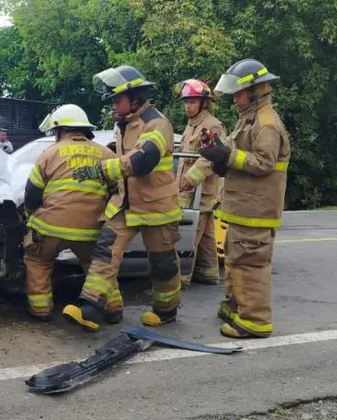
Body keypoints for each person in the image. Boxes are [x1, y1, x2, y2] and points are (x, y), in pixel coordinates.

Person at [63, 65, 182, 331]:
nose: (113, 106)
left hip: (156, 207)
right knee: (105, 252)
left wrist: (101, 169)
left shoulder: (157, 123)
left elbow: (143, 160)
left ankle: (166, 311)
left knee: (162, 263)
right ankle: (90, 308)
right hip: (126, 204)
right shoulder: (124, 125)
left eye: (117, 100)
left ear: (135, 98)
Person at [198, 58, 290, 339]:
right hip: (242, 208)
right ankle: (235, 306)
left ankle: (255, 320)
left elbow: (263, 162)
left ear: (255, 90)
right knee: (237, 262)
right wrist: (217, 152)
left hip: (256, 210)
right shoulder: (248, 118)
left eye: (238, 93)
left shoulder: (266, 123)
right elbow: (236, 157)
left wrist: (228, 156)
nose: (234, 99)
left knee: (251, 265)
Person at [23, 104, 115, 321]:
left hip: (50, 227)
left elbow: (32, 193)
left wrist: (31, 216)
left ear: (61, 130)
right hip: (91, 230)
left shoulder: (50, 153)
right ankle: (113, 310)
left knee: (38, 262)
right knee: (99, 268)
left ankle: (41, 310)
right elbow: (118, 191)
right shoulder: (106, 153)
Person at [174, 79, 226, 286]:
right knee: (205, 235)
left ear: (204, 103)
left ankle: (180, 277)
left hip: (199, 191)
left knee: (189, 234)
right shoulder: (191, 125)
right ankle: (207, 272)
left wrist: (189, 179)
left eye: (192, 102)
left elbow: (211, 157)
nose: (187, 106)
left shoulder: (211, 125)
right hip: (192, 190)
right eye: (185, 102)